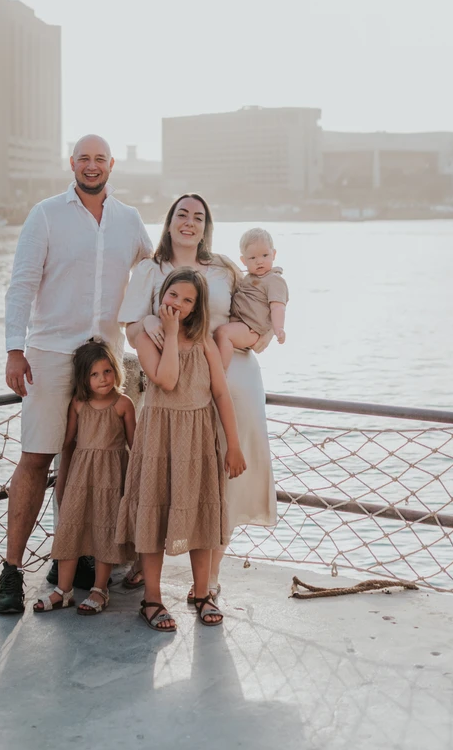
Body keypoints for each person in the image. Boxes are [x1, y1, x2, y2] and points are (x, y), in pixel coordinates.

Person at [0, 134, 152, 615]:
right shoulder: (45, 214)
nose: (91, 165)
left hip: (105, 358)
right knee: (37, 459)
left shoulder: (128, 220)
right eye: (84, 158)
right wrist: (14, 351)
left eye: (100, 158)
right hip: (50, 353)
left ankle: (78, 557)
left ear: (111, 165)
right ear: (72, 163)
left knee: (92, 459)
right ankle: (11, 571)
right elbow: (21, 283)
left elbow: (156, 272)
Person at [119, 193, 277, 601]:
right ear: (169, 221)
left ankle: (208, 579)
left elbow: (252, 315)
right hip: (174, 382)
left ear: (208, 226)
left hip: (231, 377)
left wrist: (261, 336)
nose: (190, 222)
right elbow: (131, 330)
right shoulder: (150, 270)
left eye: (199, 217)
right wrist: (151, 320)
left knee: (225, 474)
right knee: (166, 475)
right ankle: (146, 561)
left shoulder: (224, 269)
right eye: (182, 215)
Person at [116, 269, 246, 630]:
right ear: (162, 295)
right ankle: (152, 600)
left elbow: (220, 392)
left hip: (199, 436)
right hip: (160, 436)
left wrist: (233, 445)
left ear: (197, 307)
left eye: (188, 300)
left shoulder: (204, 341)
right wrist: (170, 334)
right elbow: (167, 380)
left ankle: (202, 592)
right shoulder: (147, 338)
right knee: (154, 514)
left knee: (201, 515)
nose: (179, 304)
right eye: (174, 295)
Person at [33, 337, 135, 615]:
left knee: (105, 532)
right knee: (70, 529)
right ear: (83, 378)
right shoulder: (78, 404)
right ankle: (63, 591)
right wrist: (61, 479)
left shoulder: (123, 404)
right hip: (81, 476)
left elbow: (134, 445)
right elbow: (66, 442)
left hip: (112, 478)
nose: (102, 379)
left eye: (107, 371)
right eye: (94, 374)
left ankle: (99, 590)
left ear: (116, 370)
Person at [214, 228, 289, 369]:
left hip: (251, 328)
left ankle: (219, 376)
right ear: (243, 260)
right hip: (241, 323)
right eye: (252, 258)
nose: (259, 261)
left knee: (222, 333)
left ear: (274, 254)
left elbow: (278, 306)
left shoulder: (274, 280)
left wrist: (278, 328)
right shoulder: (248, 277)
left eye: (265, 255)